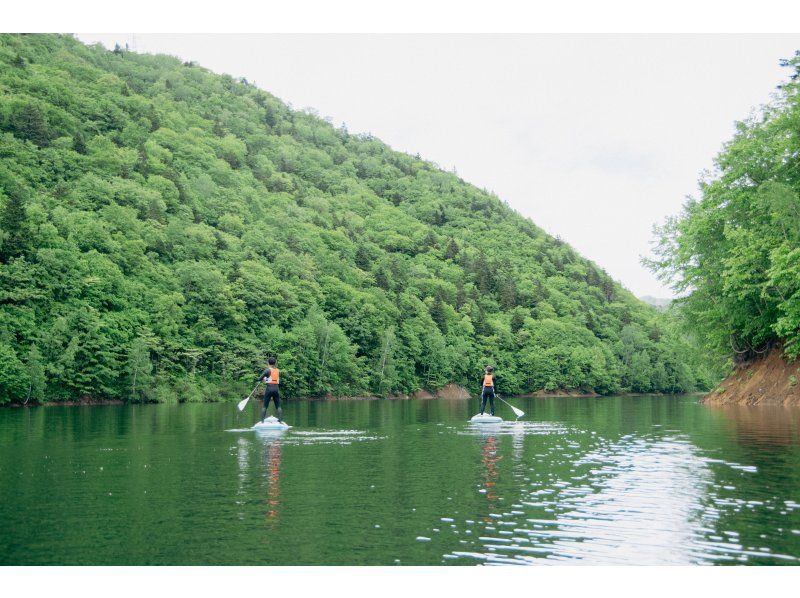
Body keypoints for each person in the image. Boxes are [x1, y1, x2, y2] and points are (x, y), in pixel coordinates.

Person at [258, 357, 282, 423]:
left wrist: (264, 379)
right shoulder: (278, 371)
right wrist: (267, 379)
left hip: (269, 388)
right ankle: (280, 421)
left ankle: (262, 421)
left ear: (268, 363)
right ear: (275, 363)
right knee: (278, 406)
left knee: (265, 406)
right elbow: (274, 378)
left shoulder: (267, 370)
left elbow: (259, 379)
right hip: (276, 389)